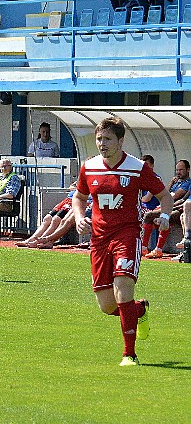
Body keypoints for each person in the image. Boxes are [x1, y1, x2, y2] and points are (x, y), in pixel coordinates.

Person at [72, 116, 172, 367]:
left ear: (120, 140)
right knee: (107, 306)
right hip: (99, 239)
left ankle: (129, 355)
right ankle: (138, 311)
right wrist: (78, 218)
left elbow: (165, 196)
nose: (102, 144)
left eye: (107, 139)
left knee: (123, 289)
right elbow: (79, 197)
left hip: (128, 235)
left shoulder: (137, 167)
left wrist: (166, 216)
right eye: (99, 139)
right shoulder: (89, 167)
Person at [141, 159, 190, 258]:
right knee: (149, 216)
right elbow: (163, 195)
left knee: (164, 216)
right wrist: (171, 183)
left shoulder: (187, 183)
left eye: (181, 170)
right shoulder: (176, 183)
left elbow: (173, 197)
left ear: (188, 170)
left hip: (178, 209)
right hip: (171, 207)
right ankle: (144, 248)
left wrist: (165, 207)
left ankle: (158, 249)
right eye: (177, 170)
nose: (178, 172)